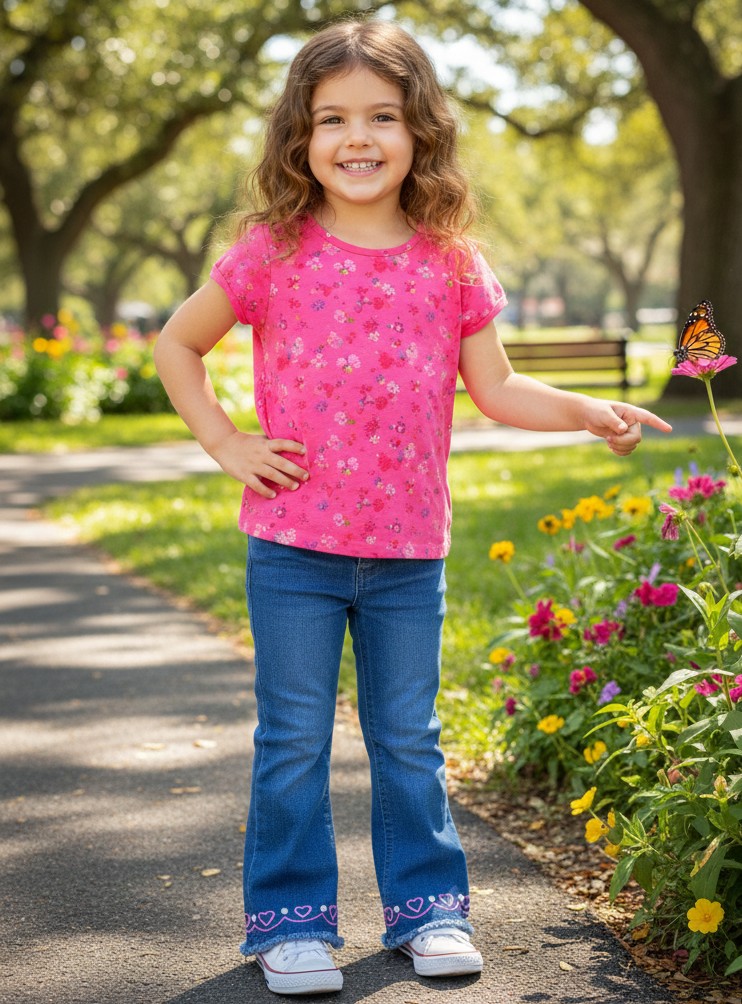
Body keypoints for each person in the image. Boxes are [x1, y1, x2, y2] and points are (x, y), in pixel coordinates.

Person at [154, 17, 671, 996]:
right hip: (293, 548)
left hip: (406, 554)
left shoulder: (448, 261)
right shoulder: (272, 251)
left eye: (382, 116)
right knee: (294, 738)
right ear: (300, 138)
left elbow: (499, 389)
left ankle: (429, 908)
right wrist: (226, 443)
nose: (358, 137)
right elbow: (177, 343)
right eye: (333, 118)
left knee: (407, 737)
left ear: (418, 130)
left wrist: (588, 412)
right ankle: (290, 920)